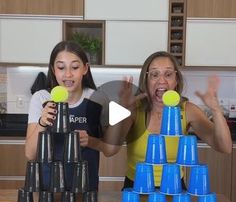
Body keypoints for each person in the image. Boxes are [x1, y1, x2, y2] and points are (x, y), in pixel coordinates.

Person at [104, 51, 232, 189]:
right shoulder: (134, 110)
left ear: (176, 80)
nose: (162, 80)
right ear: (146, 80)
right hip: (136, 189)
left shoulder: (188, 110)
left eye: (168, 74)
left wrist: (216, 109)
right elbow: (109, 150)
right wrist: (122, 109)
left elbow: (224, 147)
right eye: (154, 74)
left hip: (175, 189)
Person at [25, 40, 107, 191]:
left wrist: (90, 141)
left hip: (86, 188)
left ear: (85, 69)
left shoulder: (97, 99)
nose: (68, 74)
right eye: (61, 67)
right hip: (48, 189)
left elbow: (109, 149)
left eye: (75, 67)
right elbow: (30, 154)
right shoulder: (41, 98)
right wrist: (42, 123)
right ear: (53, 69)